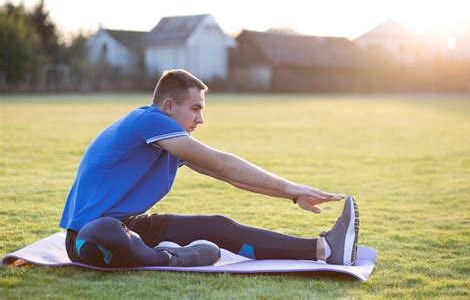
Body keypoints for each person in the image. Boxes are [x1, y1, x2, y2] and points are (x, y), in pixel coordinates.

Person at [59, 69, 359, 268]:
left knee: (218, 225)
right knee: (105, 232)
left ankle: (325, 250)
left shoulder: (168, 143)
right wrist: (290, 186)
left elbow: (228, 176)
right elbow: (221, 162)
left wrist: (293, 195)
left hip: (129, 224)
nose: (200, 119)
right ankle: (168, 258)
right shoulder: (148, 121)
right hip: (88, 237)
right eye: (195, 108)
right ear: (167, 107)